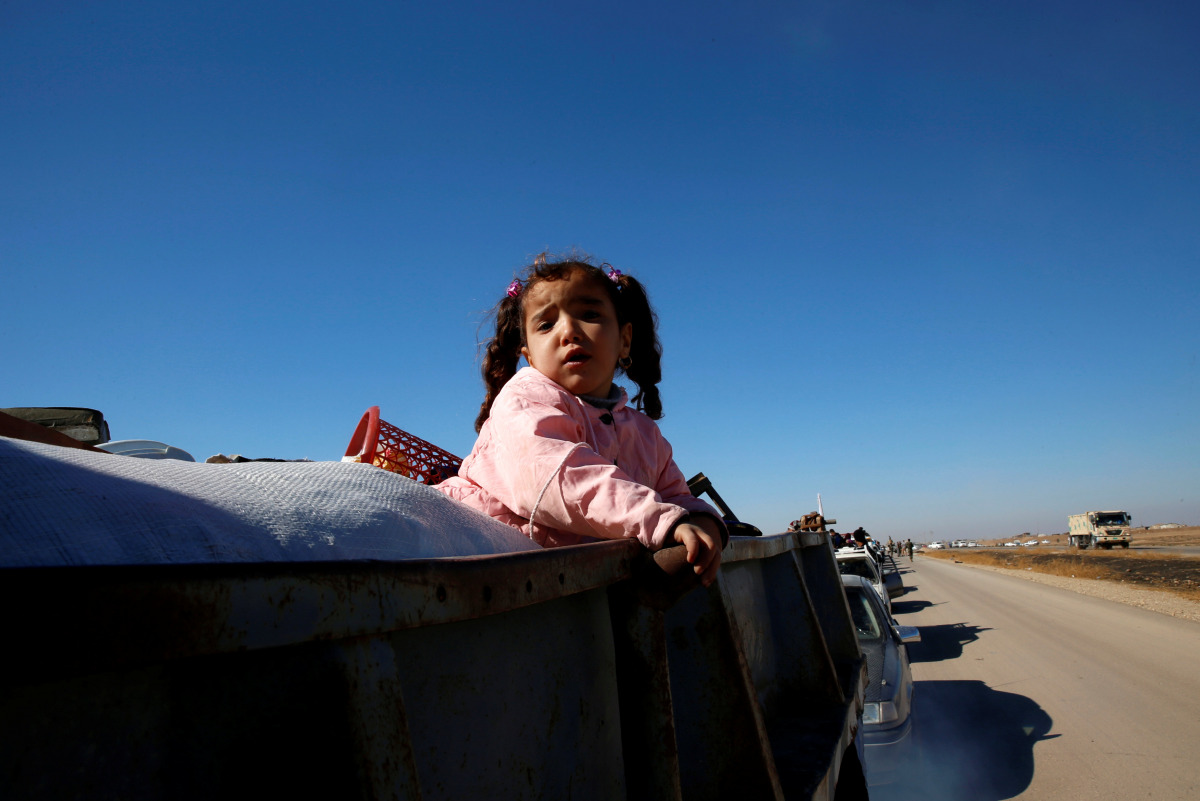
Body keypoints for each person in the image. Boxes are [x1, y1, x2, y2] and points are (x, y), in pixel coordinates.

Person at [437, 253, 726, 586]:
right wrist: (658, 520)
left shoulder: (645, 434)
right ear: (528, 355)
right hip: (473, 551)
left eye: (589, 314)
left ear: (625, 340)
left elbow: (674, 497)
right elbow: (558, 475)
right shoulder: (525, 398)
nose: (569, 331)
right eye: (546, 324)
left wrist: (704, 524)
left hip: (561, 583)